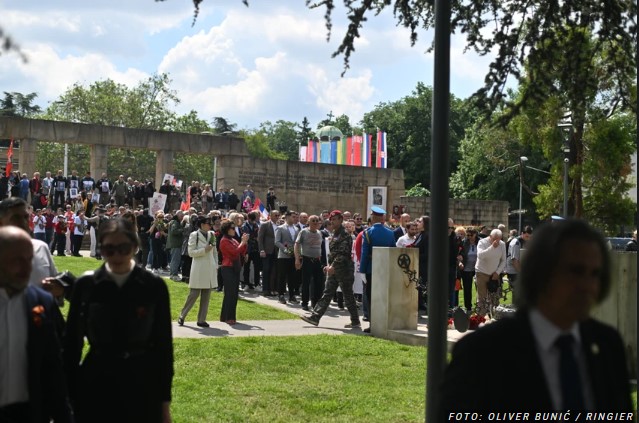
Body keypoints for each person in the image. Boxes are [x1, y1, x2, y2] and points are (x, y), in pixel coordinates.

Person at [439, 218, 633, 414]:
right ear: (541, 273)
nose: (587, 286)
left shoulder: (608, 345)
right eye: (575, 271)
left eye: (595, 274)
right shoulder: (480, 353)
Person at [63, 217, 174, 422]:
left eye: (123, 248)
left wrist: (164, 402)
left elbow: (163, 347)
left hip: (140, 382)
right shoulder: (87, 285)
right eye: (109, 249)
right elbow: (72, 344)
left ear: (135, 246)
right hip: (96, 381)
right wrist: (68, 397)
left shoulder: (153, 286)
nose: (116, 255)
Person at [0, 226, 73, 423]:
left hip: (30, 413)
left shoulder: (41, 301)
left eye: (29, 259)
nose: (27, 268)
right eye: (17, 260)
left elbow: (52, 368)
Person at [301, 210, 361, 329]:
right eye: (331, 220)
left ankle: (355, 321)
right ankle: (315, 317)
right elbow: (333, 253)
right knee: (327, 293)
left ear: (340, 220)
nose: (332, 222)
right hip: (334, 270)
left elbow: (343, 254)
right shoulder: (335, 233)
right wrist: (329, 266)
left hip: (344, 270)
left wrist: (333, 266)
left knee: (348, 296)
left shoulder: (345, 234)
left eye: (334, 219)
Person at [359, 206, 396, 333]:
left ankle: (373, 324)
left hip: (371, 269)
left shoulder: (368, 232)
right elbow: (393, 250)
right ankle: (384, 322)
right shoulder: (390, 233)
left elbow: (365, 253)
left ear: (373, 217)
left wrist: (362, 270)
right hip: (385, 269)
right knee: (384, 296)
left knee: (371, 297)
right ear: (382, 218)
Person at [177, 216, 218, 328]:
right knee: (194, 294)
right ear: (202, 225)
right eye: (208, 223)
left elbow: (215, 251)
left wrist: (215, 264)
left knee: (206, 295)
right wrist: (204, 250)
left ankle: (201, 319)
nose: (210, 226)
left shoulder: (212, 234)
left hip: (209, 267)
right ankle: (182, 315)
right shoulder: (194, 235)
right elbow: (191, 252)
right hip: (199, 268)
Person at [219, 219, 249, 325]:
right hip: (228, 268)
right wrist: (242, 243)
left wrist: (244, 243)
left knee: (233, 293)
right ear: (227, 229)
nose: (234, 230)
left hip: (234, 268)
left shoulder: (233, 240)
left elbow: (241, 251)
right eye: (232, 228)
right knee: (230, 293)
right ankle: (229, 317)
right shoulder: (224, 240)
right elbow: (234, 253)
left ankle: (225, 316)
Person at [294, 214, 325, 311]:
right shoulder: (304, 232)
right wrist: (297, 259)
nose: (315, 222)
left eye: (317, 220)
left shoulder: (319, 233)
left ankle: (315, 303)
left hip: (317, 260)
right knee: (306, 282)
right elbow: (296, 245)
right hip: (307, 259)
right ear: (308, 222)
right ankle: (304, 303)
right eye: (313, 220)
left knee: (318, 283)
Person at [474, 228, 506, 317]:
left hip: (494, 275)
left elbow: (503, 260)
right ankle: (481, 318)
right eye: (494, 239)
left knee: (494, 297)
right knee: (482, 297)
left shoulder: (502, 244)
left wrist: (497, 272)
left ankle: (495, 317)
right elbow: (480, 256)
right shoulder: (482, 242)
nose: (497, 241)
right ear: (490, 236)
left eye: (499, 239)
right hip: (482, 272)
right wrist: (492, 247)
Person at [274, 210, 300, 304]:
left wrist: (297, 253)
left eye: (296, 217)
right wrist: (285, 250)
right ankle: (281, 295)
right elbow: (277, 242)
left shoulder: (296, 229)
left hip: (293, 255)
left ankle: (291, 295)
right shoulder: (280, 228)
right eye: (293, 217)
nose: (295, 218)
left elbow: (297, 242)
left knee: (292, 276)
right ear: (287, 217)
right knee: (282, 276)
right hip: (283, 256)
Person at [505, 225, 533, 297]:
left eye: (530, 237)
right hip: (514, 271)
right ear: (522, 233)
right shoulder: (516, 243)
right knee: (517, 294)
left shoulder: (525, 241)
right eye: (527, 236)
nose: (528, 239)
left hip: (520, 270)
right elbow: (515, 261)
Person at [258, 209, 280, 296]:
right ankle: (265, 289)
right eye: (275, 215)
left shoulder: (279, 226)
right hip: (267, 251)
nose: (277, 217)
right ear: (270, 216)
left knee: (274, 270)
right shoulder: (265, 225)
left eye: (278, 215)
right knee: (266, 270)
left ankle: (273, 288)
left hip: (276, 251)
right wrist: (261, 249)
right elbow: (260, 238)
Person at [459, 227, 479, 311]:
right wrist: (460, 262)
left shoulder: (480, 242)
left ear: (475, 234)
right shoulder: (463, 242)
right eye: (467, 235)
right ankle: (468, 307)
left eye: (471, 235)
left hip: (478, 269)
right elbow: (459, 254)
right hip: (466, 269)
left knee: (479, 289)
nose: (469, 237)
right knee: (467, 289)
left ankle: (479, 306)